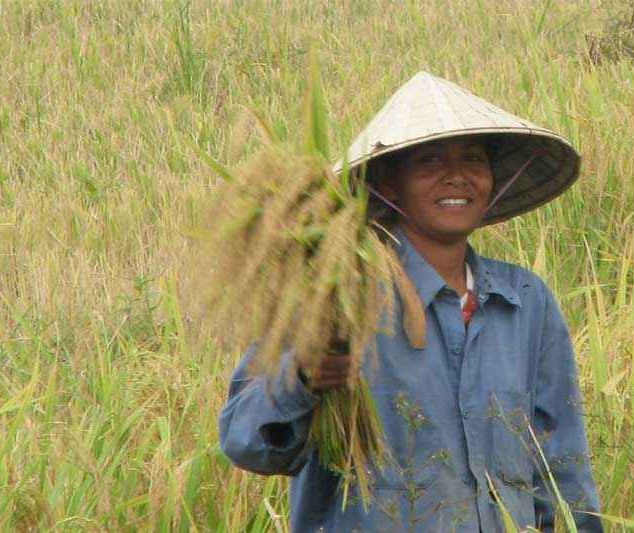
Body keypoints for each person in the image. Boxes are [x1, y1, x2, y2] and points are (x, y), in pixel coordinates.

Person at [218, 72, 603, 531]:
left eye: (474, 159)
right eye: (430, 160)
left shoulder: (524, 302)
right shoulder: (339, 294)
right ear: (389, 183)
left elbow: (563, 461)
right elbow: (244, 440)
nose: (456, 175)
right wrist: (302, 377)